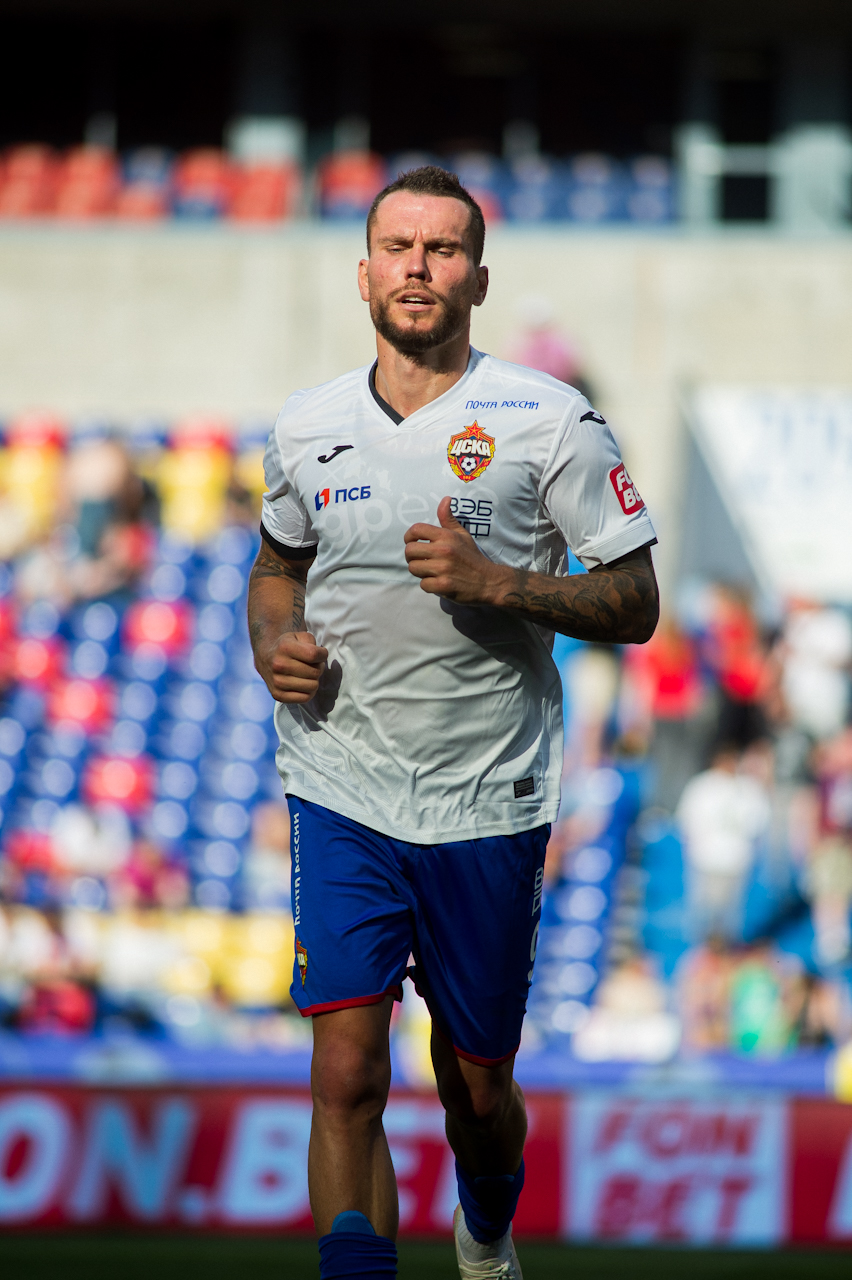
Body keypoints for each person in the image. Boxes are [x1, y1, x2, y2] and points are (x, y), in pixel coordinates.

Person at [248, 165, 658, 1280]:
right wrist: (273, 640)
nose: (418, 267)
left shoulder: (550, 420)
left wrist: (498, 583)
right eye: (399, 247)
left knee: (477, 1091)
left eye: (442, 249)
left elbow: (637, 600)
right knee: (346, 1071)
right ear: (365, 273)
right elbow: (276, 567)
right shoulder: (307, 425)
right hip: (340, 782)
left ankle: (484, 1230)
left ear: (478, 277)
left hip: (488, 798)